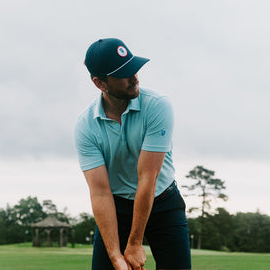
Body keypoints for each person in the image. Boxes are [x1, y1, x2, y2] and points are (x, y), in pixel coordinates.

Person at [74, 38, 191, 270]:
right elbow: (100, 193)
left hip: (162, 202)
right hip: (116, 208)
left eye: (134, 69)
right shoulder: (85, 126)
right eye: (124, 74)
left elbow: (148, 176)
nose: (134, 77)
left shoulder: (158, 105)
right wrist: (117, 256)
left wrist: (135, 242)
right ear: (100, 83)